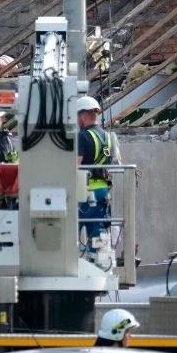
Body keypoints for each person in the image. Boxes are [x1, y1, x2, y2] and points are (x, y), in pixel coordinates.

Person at [76, 95, 113, 246]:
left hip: (86, 191)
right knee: (98, 235)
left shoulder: (83, 136)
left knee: (72, 230)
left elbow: (76, 166)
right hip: (103, 191)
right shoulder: (107, 136)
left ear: (83, 115)